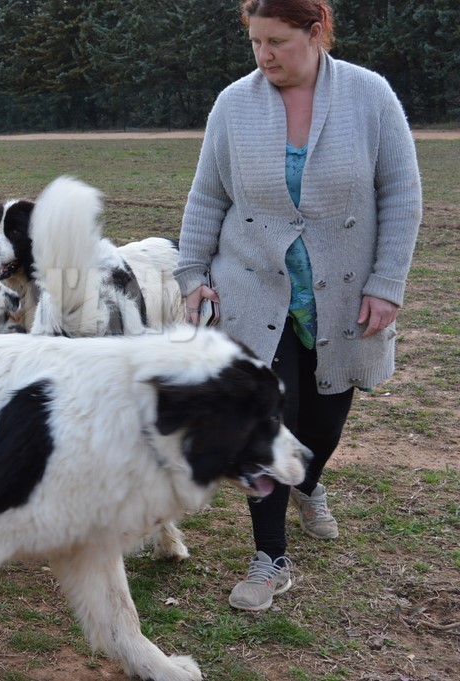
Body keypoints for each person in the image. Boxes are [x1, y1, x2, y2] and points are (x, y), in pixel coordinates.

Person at [175, 0, 421, 612]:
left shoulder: (370, 97)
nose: (264, 55)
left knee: (323, 422)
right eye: (256, 42)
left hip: (344, 293)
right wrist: (191, 274)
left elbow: (401, 193)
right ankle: (271, 558)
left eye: (277, 41)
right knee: (268, 419)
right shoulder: (234, 105)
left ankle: (308, 481)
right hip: (253, 287)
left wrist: (387, 282)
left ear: (315, 33)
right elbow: (207, 196)